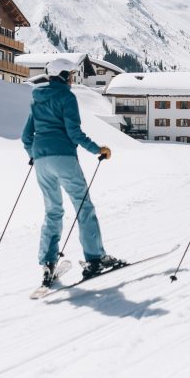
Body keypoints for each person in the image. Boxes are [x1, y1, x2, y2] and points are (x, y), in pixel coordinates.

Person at [22, 58, 121, 287]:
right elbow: (74, 132)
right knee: (83, 207)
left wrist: (34, 154)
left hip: (41, 161)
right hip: (64, 157)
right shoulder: (67, 97)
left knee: (52, 211)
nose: (72, 78)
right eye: (71, 74)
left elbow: (26, 136)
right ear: (64, 75)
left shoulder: (36, 100)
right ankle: (95, 259)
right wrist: (99, 149)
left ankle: (48, 265)